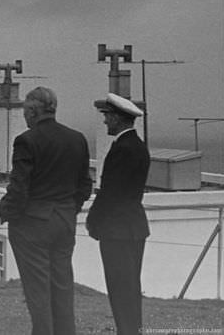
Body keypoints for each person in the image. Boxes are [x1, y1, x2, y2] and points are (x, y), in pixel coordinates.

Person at [0, 86, 93, 335]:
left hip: (32, 225)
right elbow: (85, 185)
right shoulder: (77, 138)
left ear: (32, 111)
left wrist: (6, 211)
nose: (25, 118)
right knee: (62, 287)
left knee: (38, 291)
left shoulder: (26, 141)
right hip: (64, 221)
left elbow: (19, 188)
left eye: (25, 112)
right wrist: (70, 210)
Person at [86, 93, 150, 335]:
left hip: (117, 229)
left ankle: (127, 331)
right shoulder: (138, 146)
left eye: (108, 117)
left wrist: (93, 220)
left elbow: (111, 193)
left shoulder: (122, 148)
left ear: (118, 118)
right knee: (131, 286)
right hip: (134, 226)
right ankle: (132, 329)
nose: (105, 122)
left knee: (119, 286)